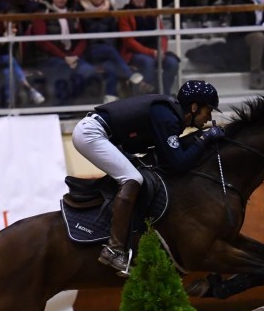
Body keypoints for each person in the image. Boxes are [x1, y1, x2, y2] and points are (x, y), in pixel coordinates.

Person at [71, 79, 223, 274]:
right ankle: (114, 249)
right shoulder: (168, 118)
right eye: (208, 111)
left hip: (104, 135)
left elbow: (170, 158)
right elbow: (178, 164)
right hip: (93, 134)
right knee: (133, 179)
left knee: (139, 172)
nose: (208, 118)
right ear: (194, 107)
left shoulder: (170, 115)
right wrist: (205, 138)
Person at [31, 0, 101, 104]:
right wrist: (64, 57)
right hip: (47, 58)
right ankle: (61, 106)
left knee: (88, 71)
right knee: (63, 69)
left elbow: (82, 39)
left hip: (71, 56)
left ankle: (71, 102)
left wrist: (74, 56)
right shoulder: (41, 14)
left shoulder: (72, 14)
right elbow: (42, 42)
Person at [77, 0, 149, 100]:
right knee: (109, 50)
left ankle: (110, 99)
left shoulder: (110, 10)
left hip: (109, 53)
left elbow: (114, 34)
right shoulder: (80, 11)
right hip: (91, 50)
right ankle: (132, 77)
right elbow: (86, 35)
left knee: (111, 66)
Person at [119, 0, 181, 94]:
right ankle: (145, 98)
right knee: (148, 62)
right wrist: (151, 52)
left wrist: (161, 50)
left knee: (172, 62)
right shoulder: (124, 14)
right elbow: (129, 42)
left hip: (155, 51)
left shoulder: (153, 12)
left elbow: (162, 35)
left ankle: (163, 95)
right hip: (134, 53)